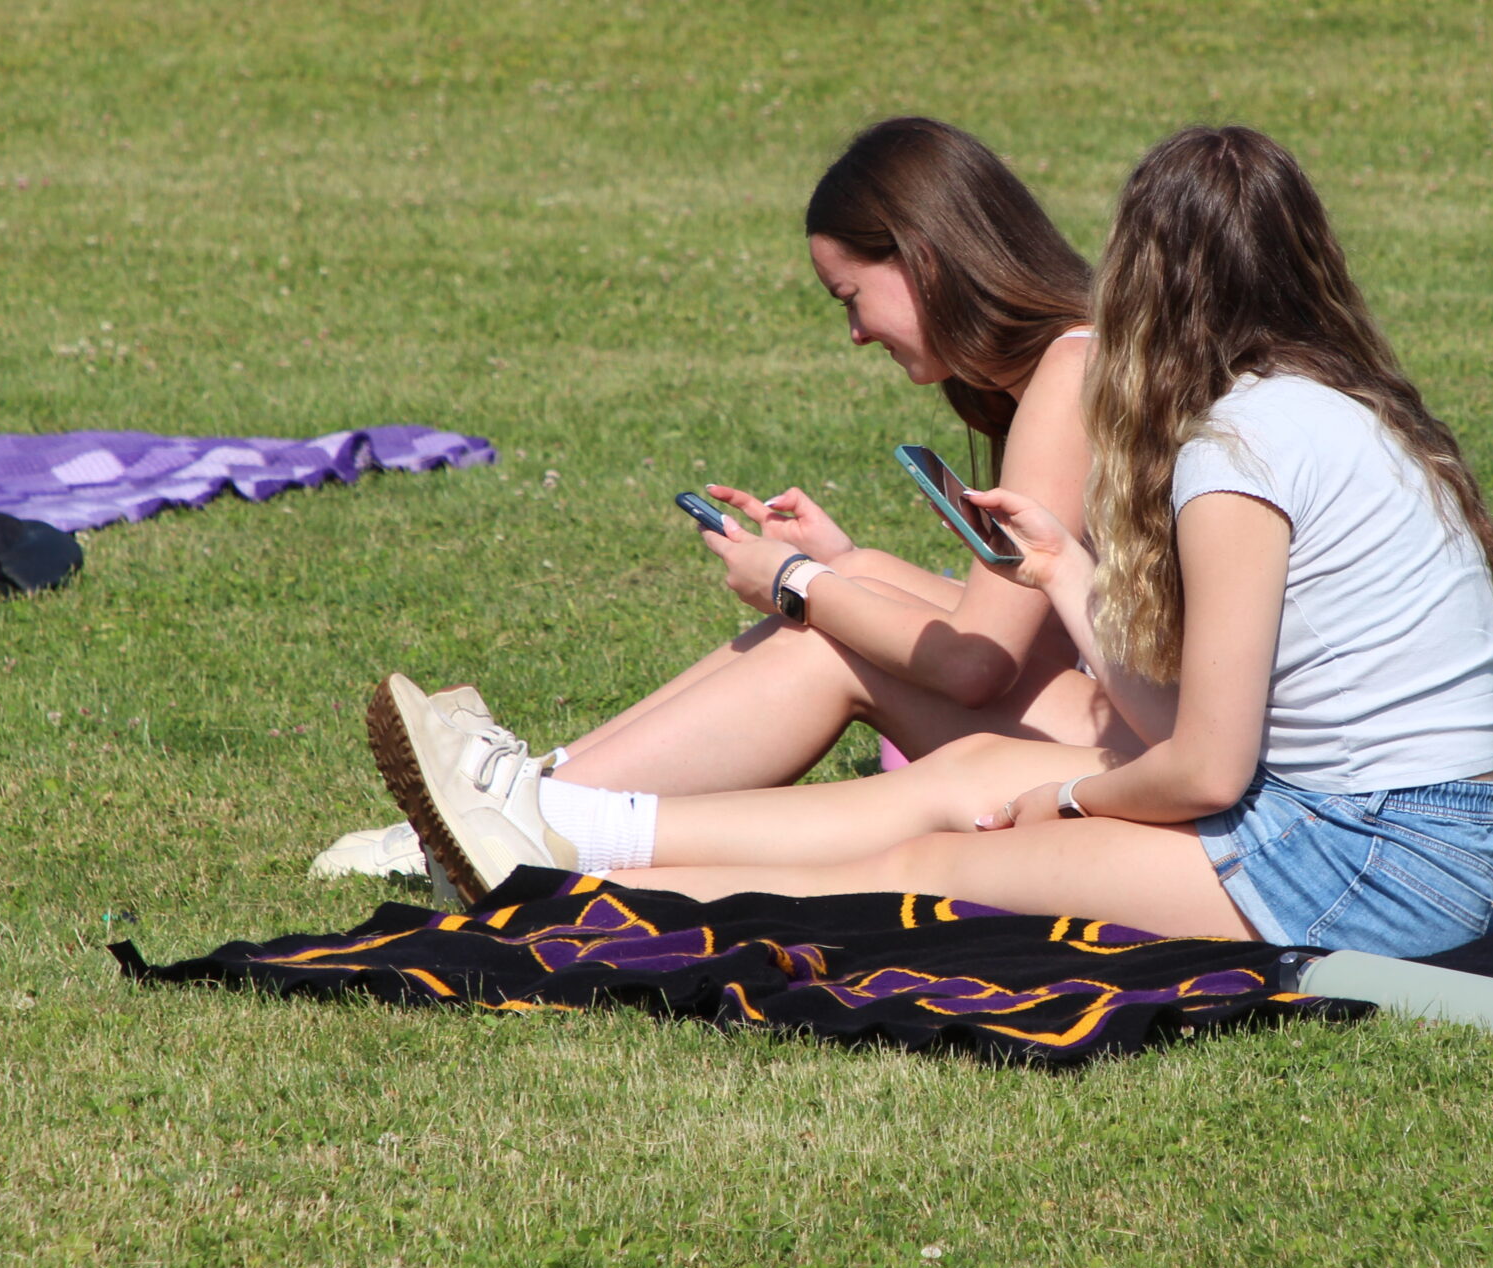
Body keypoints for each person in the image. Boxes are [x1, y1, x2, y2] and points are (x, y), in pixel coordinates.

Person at [365, 126, 1493, 954]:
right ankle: (571, 824)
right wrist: (1068, 575)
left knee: (931, 869)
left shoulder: (1239, 455)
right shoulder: (1345, 405)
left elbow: (1207, 770)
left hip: (1367, 868)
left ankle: (561, 883)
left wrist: (1069, 805)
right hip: (1438, 842)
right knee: (967, 777)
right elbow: (1192, 731)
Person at [315, 117, 1134, 885]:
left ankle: (527, 820)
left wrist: (798, 582)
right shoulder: (1075, 359)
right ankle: (522, 800)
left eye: (849, 296)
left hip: (1147, 757)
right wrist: (840, 570)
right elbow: (1051, 638)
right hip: (1130, 722)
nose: (853, 333)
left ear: (922, 261)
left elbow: (977, 663)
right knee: (861, 577)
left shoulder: (1065, 378)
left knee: (827, 635)